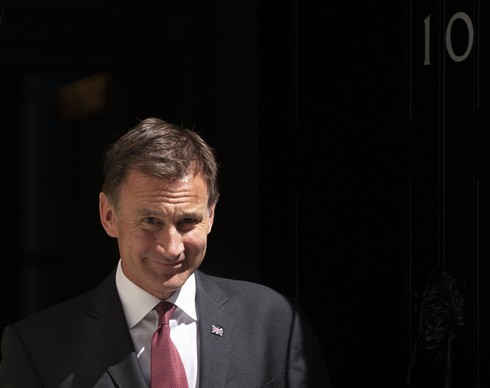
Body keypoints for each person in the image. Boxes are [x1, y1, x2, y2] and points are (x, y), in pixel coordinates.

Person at [0, 117, 331, 387]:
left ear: (211, 214)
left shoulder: (274, 323)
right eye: (150, 220)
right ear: (108, 215)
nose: (171, 247)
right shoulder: (39, 347)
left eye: (188, 221)